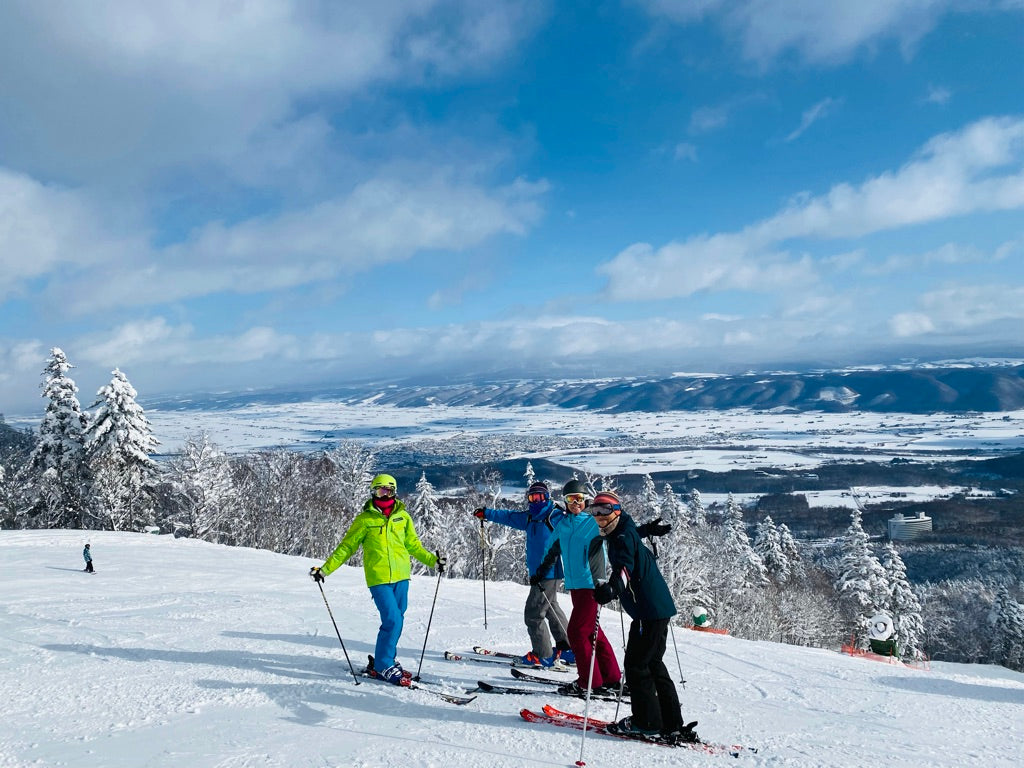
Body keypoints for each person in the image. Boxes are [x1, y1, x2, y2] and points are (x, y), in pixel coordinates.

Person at [310, 473, 446, 686]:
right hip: (378, 578)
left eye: (387, 490)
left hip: (401, 577)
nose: (383, 494)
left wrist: (433, 561)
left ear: (394, 492)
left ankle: (387, 659)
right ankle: (383, 664)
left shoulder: (403, 517)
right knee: (392, 619)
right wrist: (325, 570)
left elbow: (413, 546)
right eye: (379, 490)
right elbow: (347, 547)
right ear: (373, 492)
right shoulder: (365, 520)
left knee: (397, 620)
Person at [591, 491, 696, 744]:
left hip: (648, 612)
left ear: (616, 509)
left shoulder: (622, 535)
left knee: (637, 666)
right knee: (653, 664)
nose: (600, 518)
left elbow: (625, 567)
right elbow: (629, 538)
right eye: (595, 512)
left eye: (604, 511)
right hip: (655, 610)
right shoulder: (623, 529)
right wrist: (646, 529)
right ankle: (671, 722)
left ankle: (647, 722)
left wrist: (613, 589)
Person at [532, 479, 622, 696]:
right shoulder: (563, 525)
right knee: (593, 633)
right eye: (571, 499)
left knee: (577, 633)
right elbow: (551, 551)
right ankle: (610, 678)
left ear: (586, 500)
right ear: (565, 501)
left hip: (593, 586)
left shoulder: (593, 522)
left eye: (579, 499)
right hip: (575, 586)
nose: (575, 503)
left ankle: (589, 682)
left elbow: (618, 530)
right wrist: (541, 572)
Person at [474, 481, 573, 667]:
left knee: (534, 614)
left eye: (540, 497)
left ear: (547, 497)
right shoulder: (530, 518)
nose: (536, 501)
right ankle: (568, 649)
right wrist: (486, 513)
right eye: (532, 497)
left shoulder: (556, 516)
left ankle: (542, 655)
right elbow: (509, 517)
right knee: (551, 608)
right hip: (539, 573)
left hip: (549, 572)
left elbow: (576, 528)